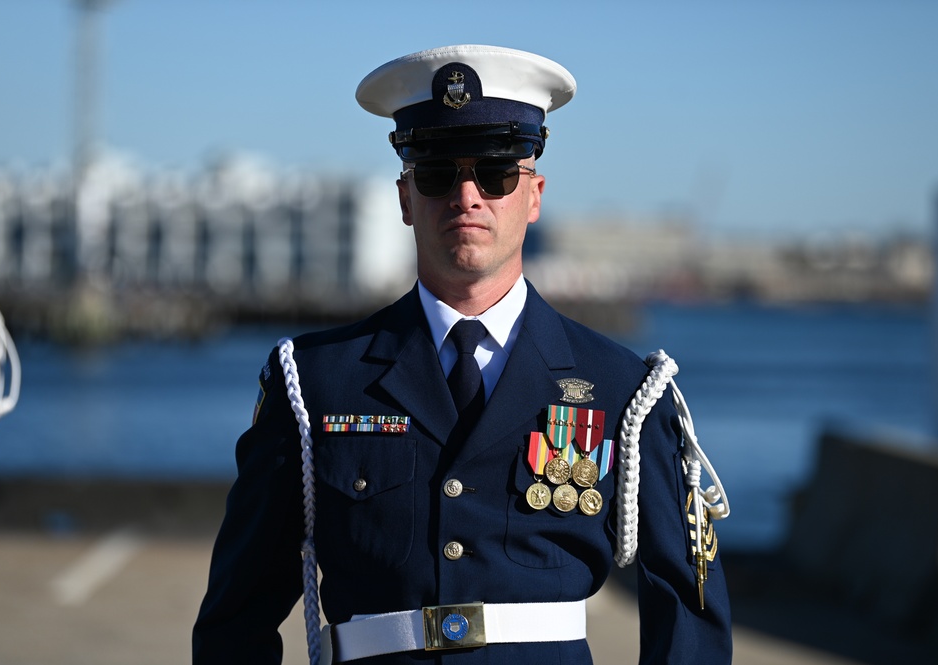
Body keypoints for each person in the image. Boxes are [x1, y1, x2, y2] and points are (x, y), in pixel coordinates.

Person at [193, 44, 733, 664]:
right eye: (437, 173)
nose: (467, 195)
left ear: (534, 196)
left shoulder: (625, 390)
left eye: (498, 172)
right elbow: (237, 613)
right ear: (405, 199)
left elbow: (688, 615)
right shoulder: (313, 383)